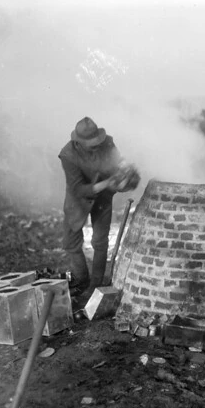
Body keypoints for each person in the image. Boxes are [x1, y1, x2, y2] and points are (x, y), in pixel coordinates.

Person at [58, 116, 138, 302]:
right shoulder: (68, 155)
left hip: (102, 198)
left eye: (97, 142)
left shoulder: (107, 142)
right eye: (91, 144)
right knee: (71, 243)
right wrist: (107, 183)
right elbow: (78, 188)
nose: (96, 146)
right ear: (78, 142)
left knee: (100, 242)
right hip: (78, 199)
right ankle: (82, 280)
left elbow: (118, 160)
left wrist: (125, 168)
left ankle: (96, 284)